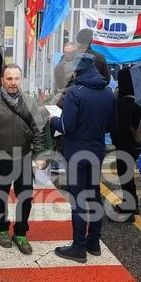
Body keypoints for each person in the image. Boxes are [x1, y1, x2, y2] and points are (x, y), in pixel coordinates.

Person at [49, 54, 117, 262]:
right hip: (97, 150)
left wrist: (52, 120)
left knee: (78, 198)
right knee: (94, 195)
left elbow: (66, 126)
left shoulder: (74, 93)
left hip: (76, 151)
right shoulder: (108, 92)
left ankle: (78, 247)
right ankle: (93, 242)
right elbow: (112, 125)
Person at [0, 64, 47, 254]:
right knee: (1, 196)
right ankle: (2, 230)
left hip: (24, 157)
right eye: (9, 78)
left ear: (21, 80)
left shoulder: (30, 102)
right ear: (2, 80)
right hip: (1, 159)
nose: (13, 82)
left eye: (16, 78)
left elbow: (39, 131)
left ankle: (21, 233)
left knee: (25, 197)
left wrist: (40, 155)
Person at [109, 68, 141, 221]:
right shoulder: (139, 100)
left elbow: (119, 128)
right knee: (128, 175)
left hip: (124, 145)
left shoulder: (123, 103)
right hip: (137, 144)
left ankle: (130, 205)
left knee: (125, 175)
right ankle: (131, 203)